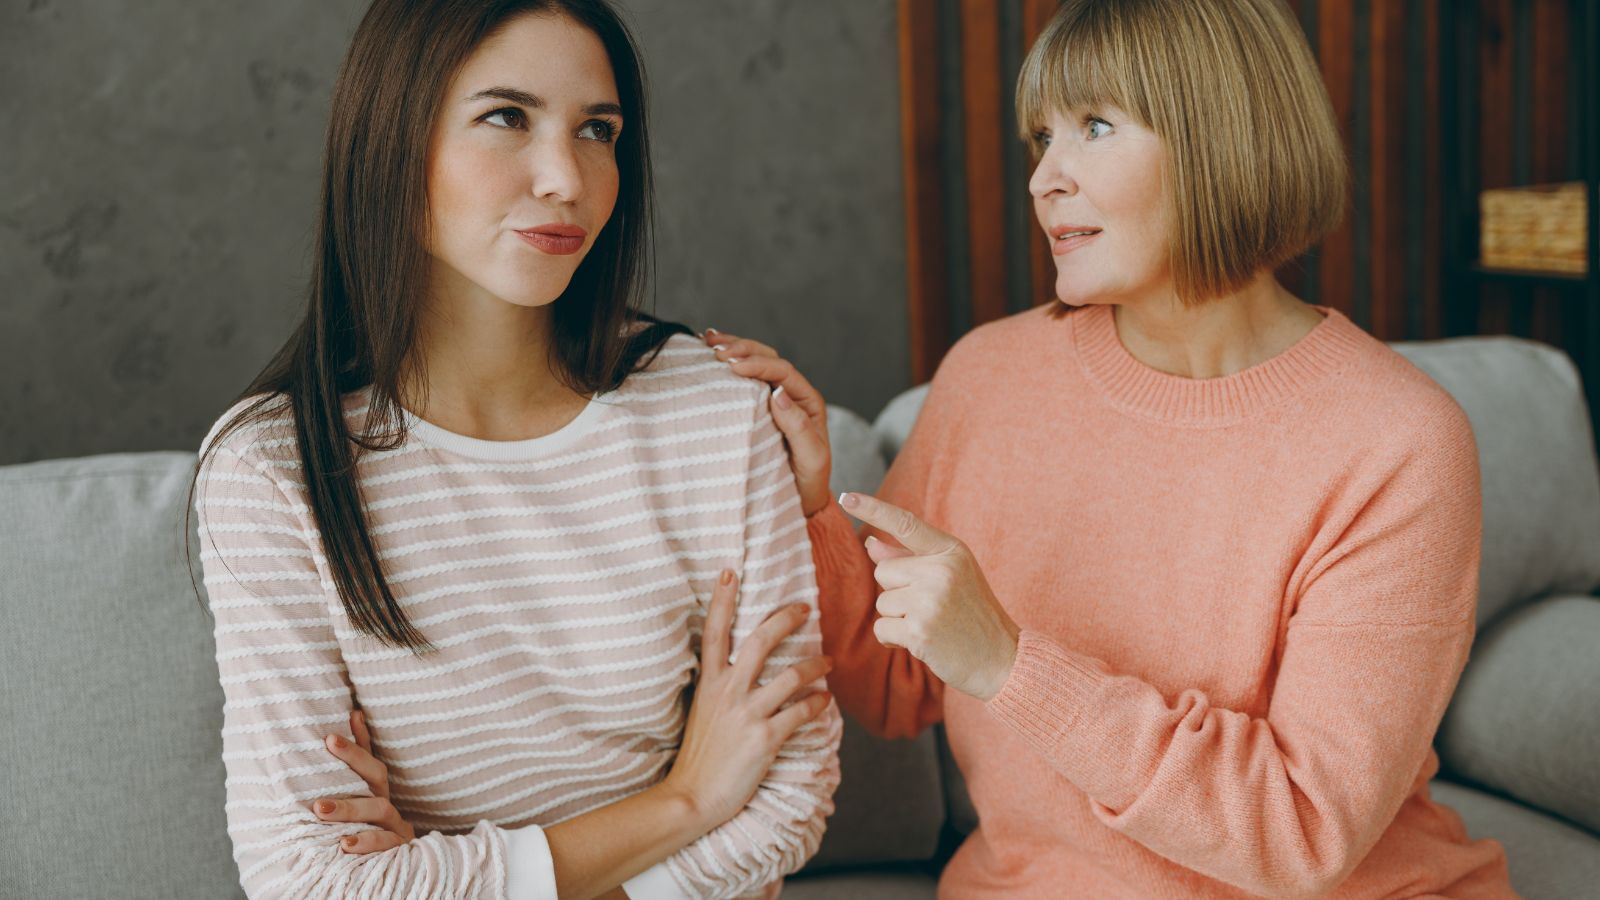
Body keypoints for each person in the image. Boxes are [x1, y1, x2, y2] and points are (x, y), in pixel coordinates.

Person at [705, 0, 1518, 896]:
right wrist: (815, 506)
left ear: (1224, 137)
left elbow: (1302, 830)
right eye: (1041, 138)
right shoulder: (990, 378)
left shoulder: (1396, 440)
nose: (1044, 179)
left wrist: (1014, 667)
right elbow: (893, 685)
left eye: (1094, 126)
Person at [191, 1, 840, 898]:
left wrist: (450, 873)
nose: (565, 178)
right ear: (392, 138)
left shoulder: (711, 408)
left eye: (598, 131)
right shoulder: (273, 471)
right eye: (508, 117)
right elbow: (311, 883)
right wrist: (686, 802)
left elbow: (793, 794)